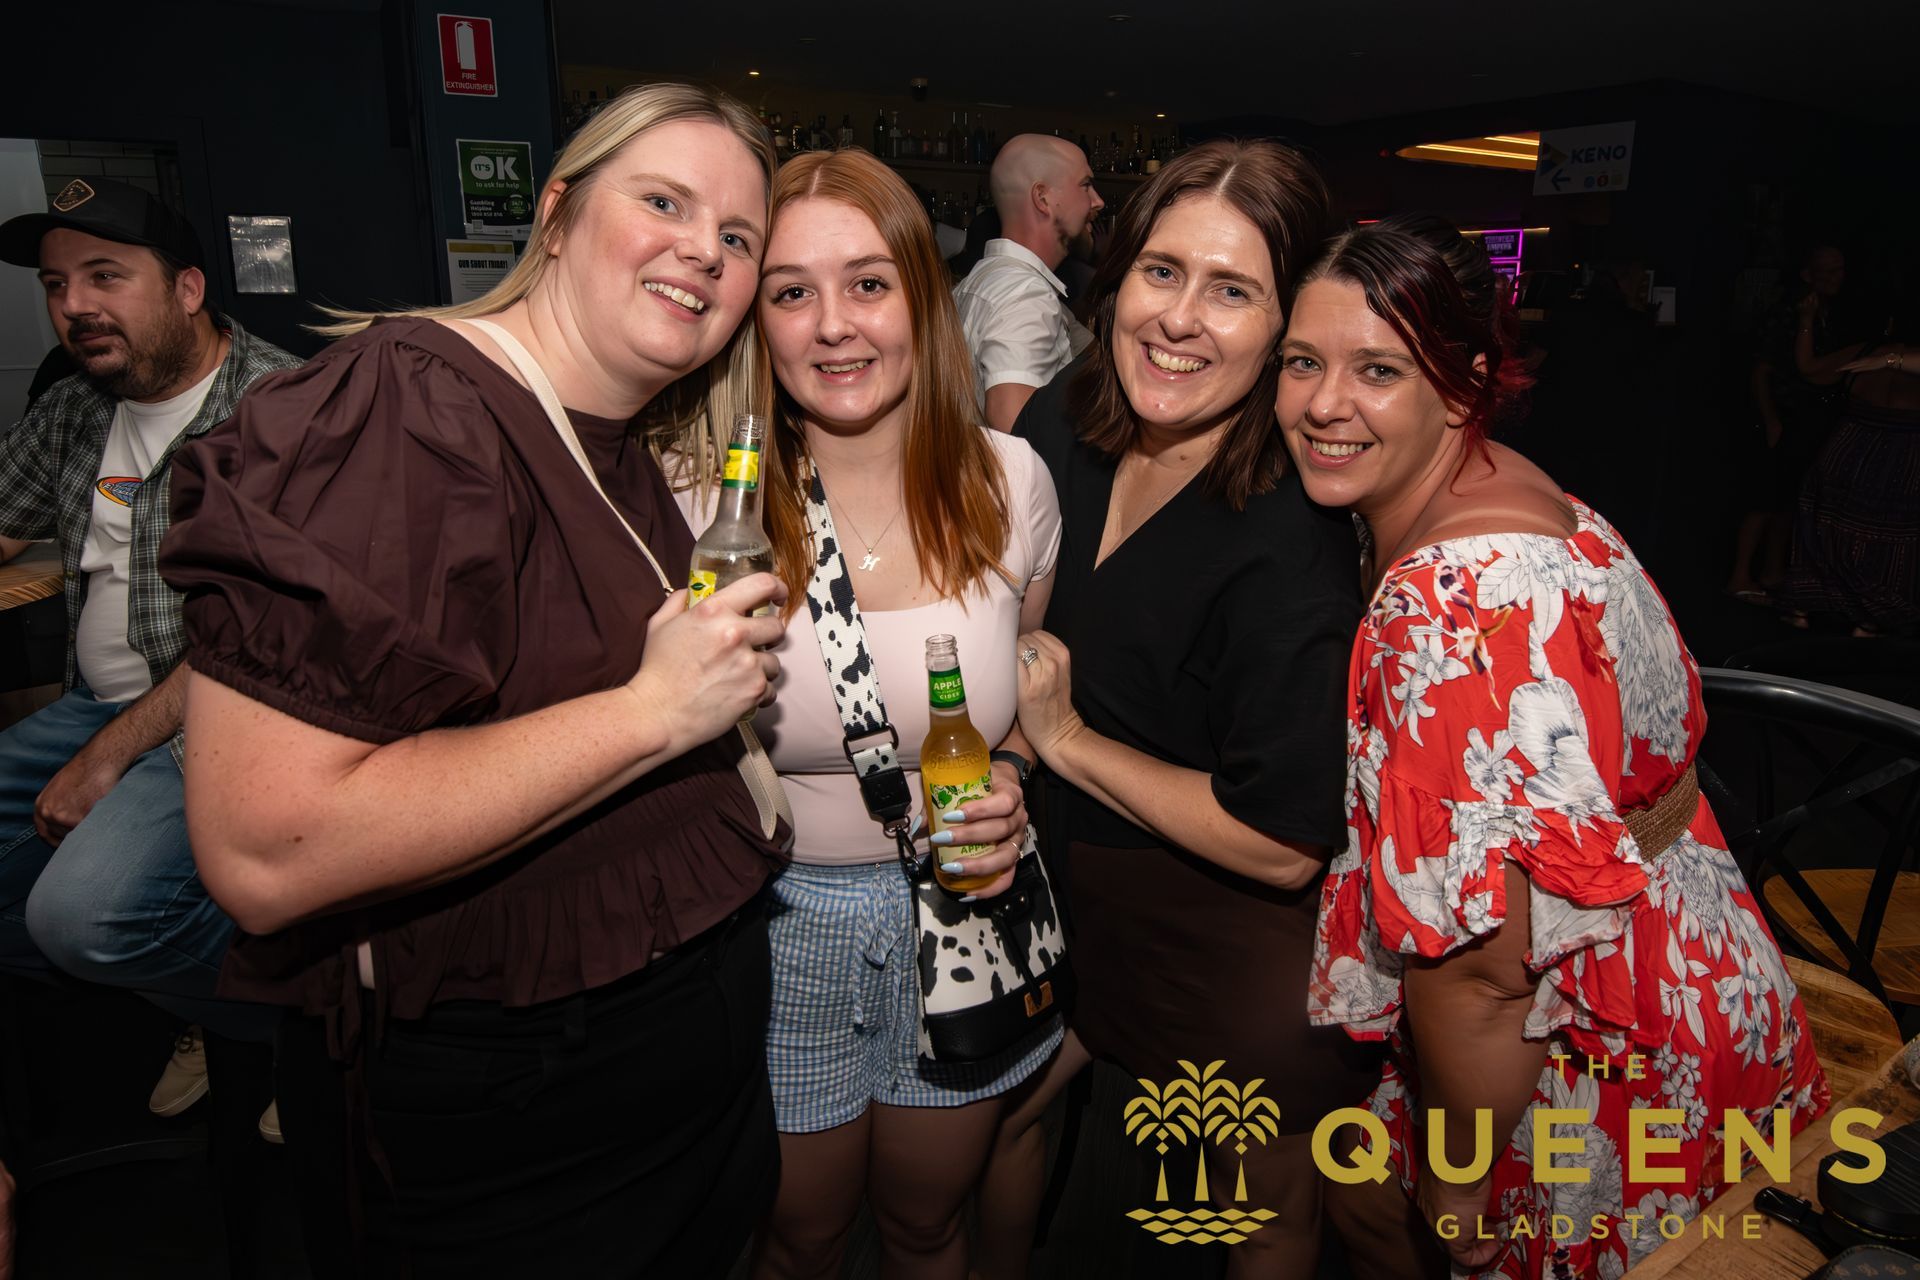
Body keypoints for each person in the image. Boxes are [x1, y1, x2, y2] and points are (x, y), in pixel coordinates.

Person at [158, 83, 792, 1275]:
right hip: (516, 1151)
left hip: (663, 1120)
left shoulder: (618, 444)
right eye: (664, 202)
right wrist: (654, 711)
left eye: (738, 235)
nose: (704, 250)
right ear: (555, 214)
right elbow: (266, 849)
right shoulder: (410, 405)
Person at [1279, 215, 1829, 1279]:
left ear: (1463, 385)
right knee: (1358, 1198)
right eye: (1304, 361)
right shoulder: (1516, 486)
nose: (1323, 403)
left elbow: (1487, 970)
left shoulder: (1448, 600)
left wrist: (1461, 1180)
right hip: (1700, 964)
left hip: (1595, 1036)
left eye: (1378, 369)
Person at [979, 139, 1385, 1280]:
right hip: (1059, 886)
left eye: (1233, 290)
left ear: (1287, 327)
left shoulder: (1290, 535)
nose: (1180, 318)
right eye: (1162, 272)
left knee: (1253, 1214)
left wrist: (1065, 740)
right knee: (1000, 1128)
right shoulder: (1061, 425)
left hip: (1220, 930)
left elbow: (1280, 841)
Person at [671, 146, 1062, 1280]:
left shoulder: (1010, 482)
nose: (833, 325)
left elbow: (1027, 693)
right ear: (756, 321)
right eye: (792, 291)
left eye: (869, 283)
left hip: (963, 909)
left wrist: (1012, 777)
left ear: (923, 300)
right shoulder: (704, 499)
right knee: (798, 1235)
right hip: (775, 921)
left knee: (928, 1225)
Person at [0, 177, 295, 1122]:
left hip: (220, 715)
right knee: (68, 920)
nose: (76, 306)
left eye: (105, 276)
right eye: (56, 285)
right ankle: (212, 997)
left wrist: (109, 754)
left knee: (81, 919)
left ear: (188, 289)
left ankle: (316, 1025)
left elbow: (260, 631)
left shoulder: (284, 407)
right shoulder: (78, 406)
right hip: (94, 706)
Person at [1777, 298, 1920, 637]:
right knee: (1887, 539)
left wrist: (1806, 319)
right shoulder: (1885, 356)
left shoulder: (1869, 352)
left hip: (1849, 448)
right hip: (1901, 458)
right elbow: (1811, 371)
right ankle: (1869, 619)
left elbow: (1809, 369)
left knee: (1828, 526)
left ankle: (1805, 607)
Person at [1725, 245, 1853, 600]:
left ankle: (1772, 570)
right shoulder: (1787, 314)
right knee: (1763, 496)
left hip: (1807, 418)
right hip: (1781, 416)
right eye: (1827, 271)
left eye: (1840, 270)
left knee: (1788, 498)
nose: (1836, 278)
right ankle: (1740, 575)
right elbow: (1761, 371)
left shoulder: (1827, 313)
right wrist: (1771, 420)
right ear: (1808, 274)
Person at [952, 134, 1104, 431]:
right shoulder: (1025, 296)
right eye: (1086, 185)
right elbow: (1013, 425)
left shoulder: (983, 280)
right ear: (1042, 198)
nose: (1098, 201)